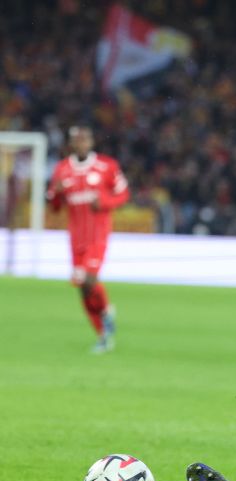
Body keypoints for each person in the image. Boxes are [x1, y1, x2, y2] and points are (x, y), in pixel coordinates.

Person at [46, 126, 129, 353]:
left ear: (91, 142)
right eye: (77, 140)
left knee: (90, 280)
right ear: (72, 143)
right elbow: (54, 207)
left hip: (98, 236)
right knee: (82, 288)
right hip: (76, 239)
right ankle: (103, 334)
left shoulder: (106, 166)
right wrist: (57, 193)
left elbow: (123, 194)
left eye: (85, 139)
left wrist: (104, 203)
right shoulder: (62, 170)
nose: (81, 143)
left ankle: (107, 311)